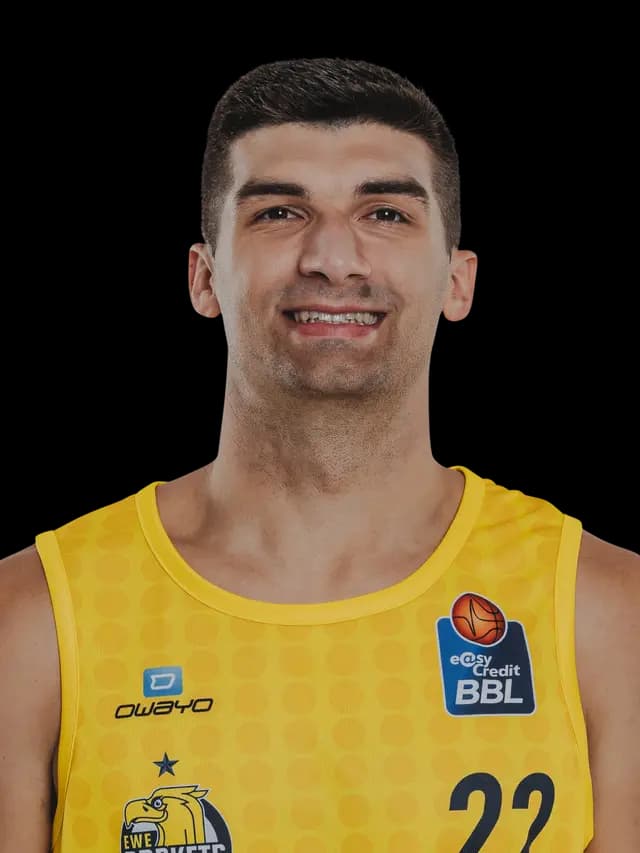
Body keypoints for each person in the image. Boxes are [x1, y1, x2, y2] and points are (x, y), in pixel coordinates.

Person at [0, 57, 637, 853]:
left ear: (458, 280)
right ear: (204, 277)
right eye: (279, 212)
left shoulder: (604, 610)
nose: (334, 257)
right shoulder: (34, 618)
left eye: (386, 213)